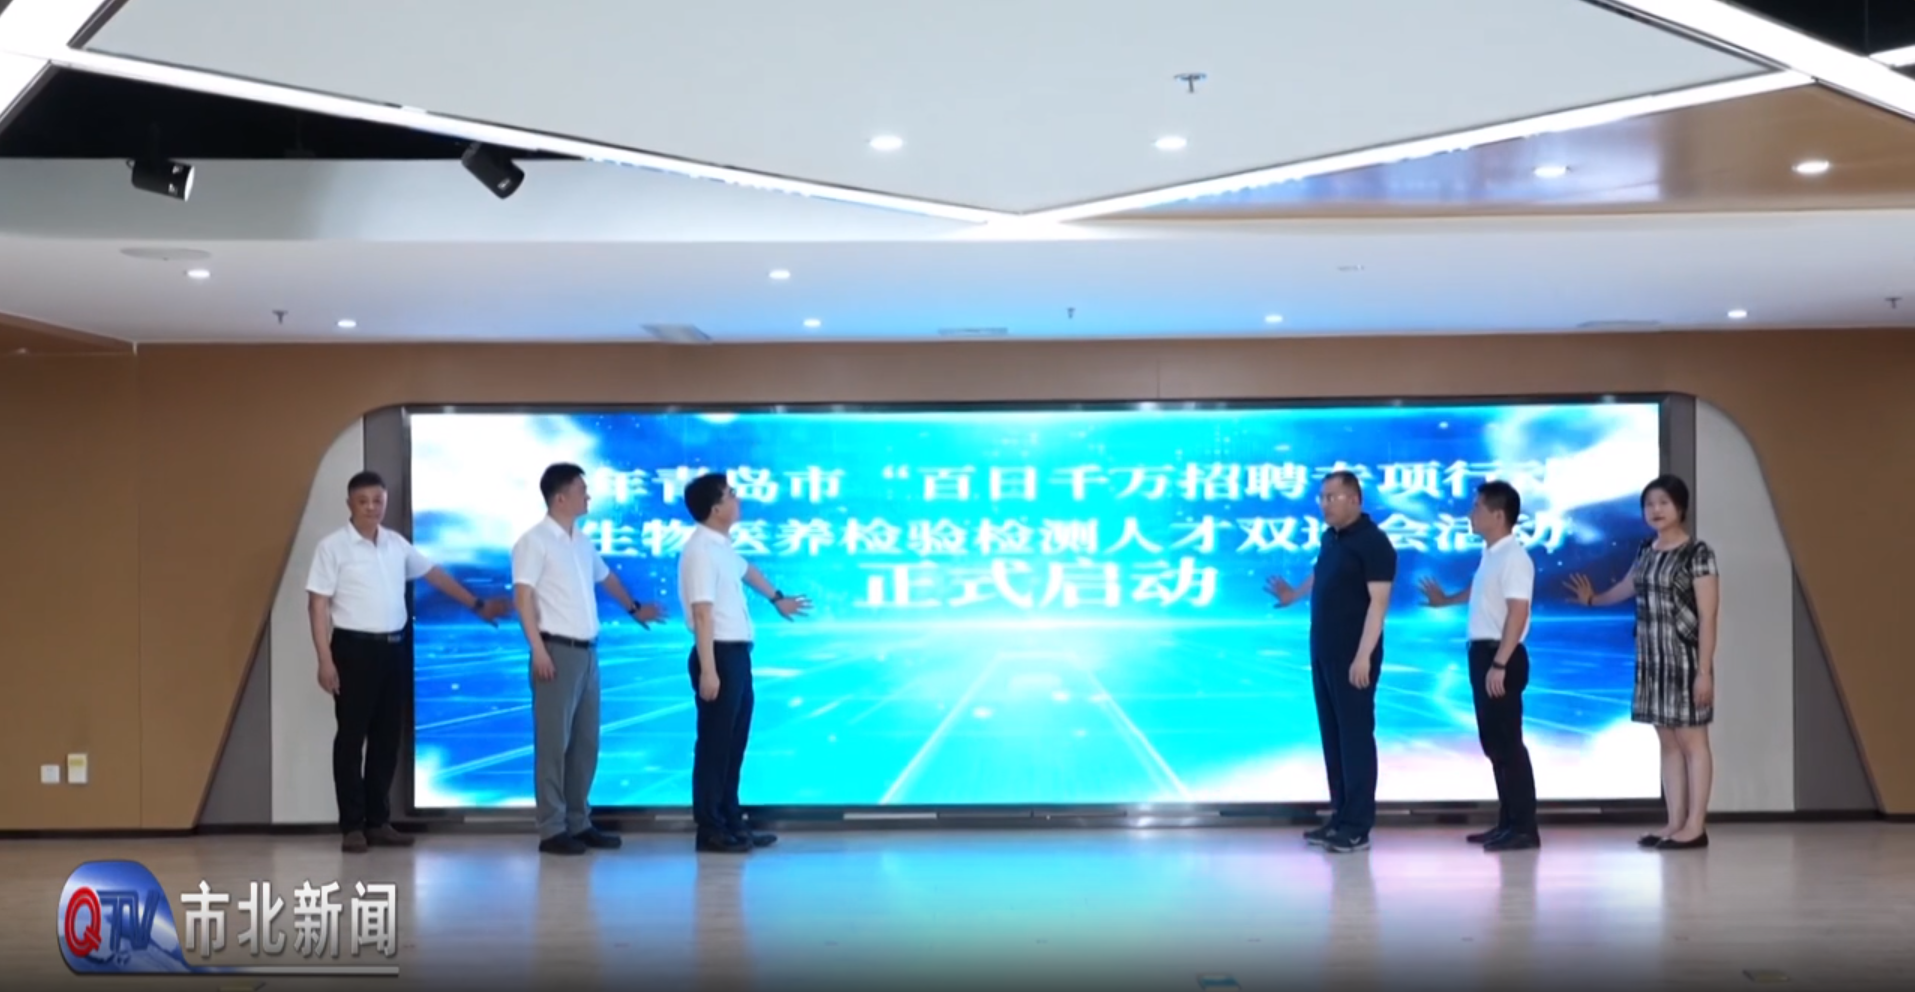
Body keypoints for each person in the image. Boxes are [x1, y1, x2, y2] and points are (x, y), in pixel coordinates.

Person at [306, 470, 509, 854]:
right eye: (363, 501)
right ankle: (352, 826)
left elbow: (436, 576)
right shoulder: (332, 548)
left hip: (394, 649)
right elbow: (317, 605)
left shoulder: (396, 544)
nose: (371, 508)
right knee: (351, 739)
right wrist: (324, 660)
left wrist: (477, 604)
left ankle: (378, 822)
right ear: (350, 504)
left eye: (377, 501)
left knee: (387, 739)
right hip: (353, 651)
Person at [511, 462, 664, 856]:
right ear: (560, 497)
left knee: (584, 744)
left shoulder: (581, 541)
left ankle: (578, 822)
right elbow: (523, 597)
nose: (588, 496)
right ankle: (552, 828)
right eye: (582, 490)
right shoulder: (533, 541)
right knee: (553, 745)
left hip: (588, 652)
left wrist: (634, 609)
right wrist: (537, 649)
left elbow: (606, 578)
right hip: (555, 652)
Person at [1565, 474, 1719, 851]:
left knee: (1693, 741)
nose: (1655, 510)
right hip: (1651, 658)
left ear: (1681, 507)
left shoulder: (1698, 553)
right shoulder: (1646, 550)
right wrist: (1593, 600)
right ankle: (1675, 822)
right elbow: (1626, 588)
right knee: (1667, 742)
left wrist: (1704, 672)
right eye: (1649, 504)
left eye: (1664, 502)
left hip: (1685, 658)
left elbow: (1708, 616)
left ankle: (1695, 826)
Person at [678, 472, 812, 853]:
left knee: (733, 744)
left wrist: (777, 598)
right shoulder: (700, 551)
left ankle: (731, 821)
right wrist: (708, 669)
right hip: (717, 654)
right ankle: (711, 828)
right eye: (731, 495)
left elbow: (748, 571)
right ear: (715, 508)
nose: (738, 500)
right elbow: (702, 613)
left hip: (736, 655)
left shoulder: (721, 547)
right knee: (714, 747)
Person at [1266, 469, 1398, 854]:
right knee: (1334, 738)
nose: (1325, 504)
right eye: (1322, 497)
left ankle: (1357, 827)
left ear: (1355, 499)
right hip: (1324, 650)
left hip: (1354, 656)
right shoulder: (1332, 538)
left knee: (1355, 739)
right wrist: (1294, 595)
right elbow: (1321, 572)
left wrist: (1363, 656)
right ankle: (1340, 816)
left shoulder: (1374, 543)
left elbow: (1379, 604)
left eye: (1332, 497)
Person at [1417, 480, 1540, 852]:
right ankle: (1508, 822)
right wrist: (1445, 601)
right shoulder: (1492, 554)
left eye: (1477, 508)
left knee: (1508, 743)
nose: (1471, 514)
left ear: (1498, 515)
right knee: (1495, 744)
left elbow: (1518, 612)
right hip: (1484, 654)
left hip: (1499, 655)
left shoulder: (1515, 557)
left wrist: (1500, 662)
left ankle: (1524, 828)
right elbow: (1481, 591)